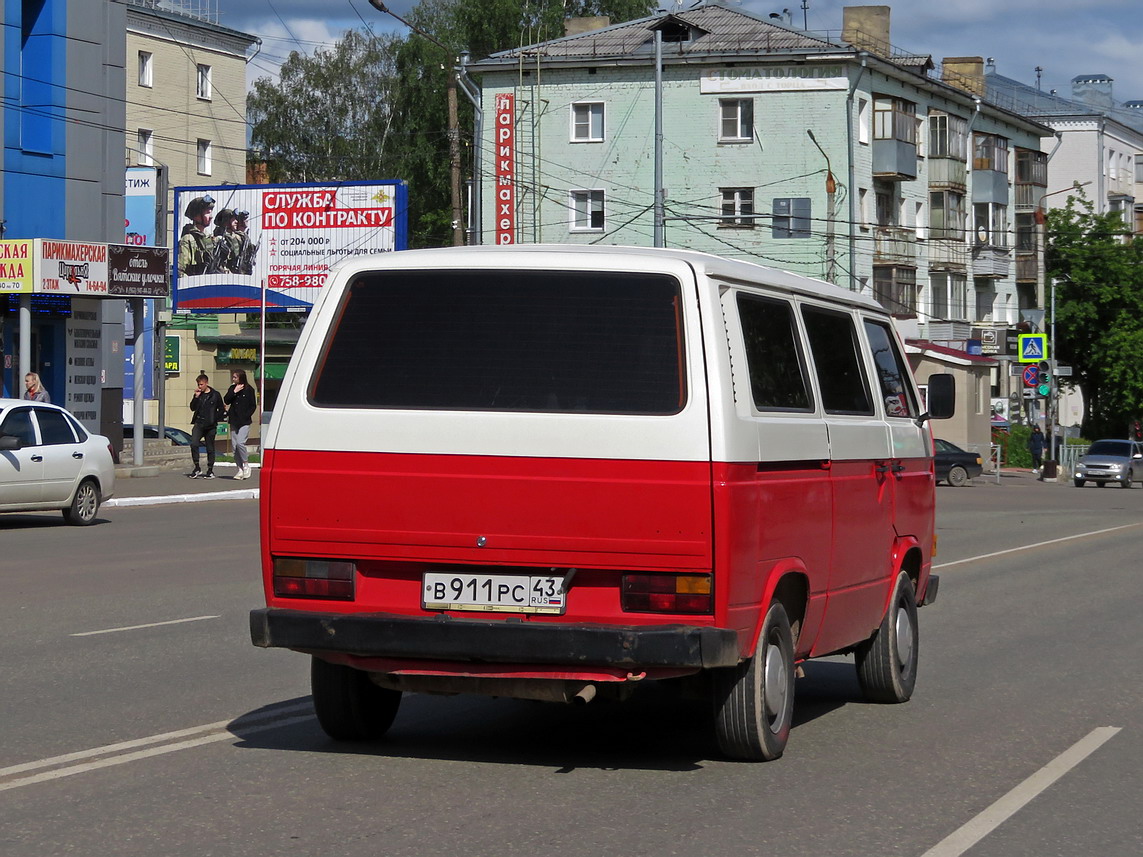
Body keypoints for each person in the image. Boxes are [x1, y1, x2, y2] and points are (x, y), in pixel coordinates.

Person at [187, 372, 225, 479]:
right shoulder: (199, 395)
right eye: (198, 384)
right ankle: (197, 467)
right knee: (194, 443)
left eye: (201, 384)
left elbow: (221, 409)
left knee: (210, 448)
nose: (199, 387)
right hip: (199, 423)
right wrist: (196, 397)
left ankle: (210, 470)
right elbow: (192, 408)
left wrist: (214, 419)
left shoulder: (215, 395)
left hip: (210, 425)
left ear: (206, 383)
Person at [224, 369, 257, 480]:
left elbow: (253, 405)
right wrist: (234, 392)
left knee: (240, 443)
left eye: (235, 377)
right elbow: (226, 400)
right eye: (233, 377)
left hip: (244, 421)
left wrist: (246, 415)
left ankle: (246, 464)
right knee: (234, 447)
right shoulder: (232, 388)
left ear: (241, 378)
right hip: (234, 420)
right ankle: (239, 469)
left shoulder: (249, 390)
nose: (233, 379)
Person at [177, 195, 217, 275]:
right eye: (207, 213)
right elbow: (180, 271)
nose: (211, 217)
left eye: (211, 212)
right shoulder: (188, 239)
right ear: (196, 216)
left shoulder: (209, 238)